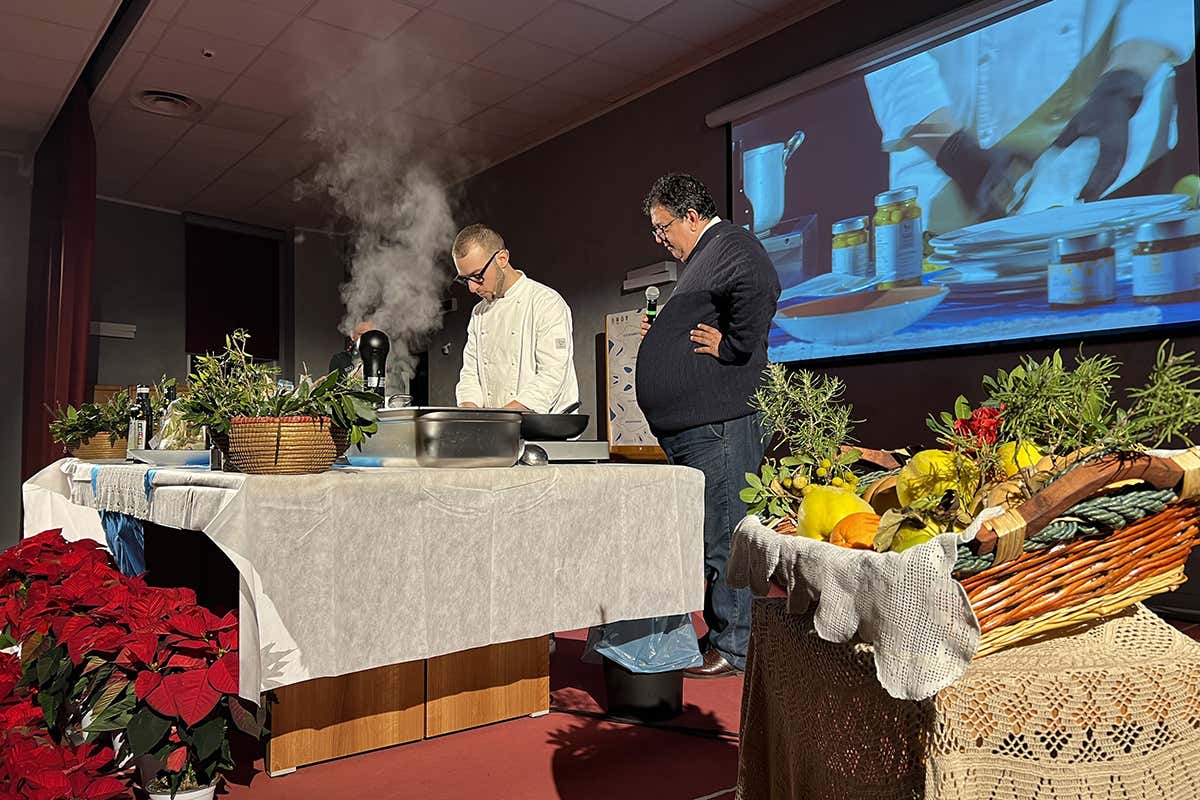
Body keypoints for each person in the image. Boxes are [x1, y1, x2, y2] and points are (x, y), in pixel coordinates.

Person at [864, 0, 1195, 233]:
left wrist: (1123, 84)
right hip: (945, 184)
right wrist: (950, 149)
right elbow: (879, 30)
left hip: (1111, 160)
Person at [636, 174, 781, 678]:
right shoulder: (707, 256)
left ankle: (735, 646)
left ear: (692, 216)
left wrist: (734, 345)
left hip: (719, 423)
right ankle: (724, 631)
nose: (661, 239)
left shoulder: (732, 245)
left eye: (663, 228)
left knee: (725, 532)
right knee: (709, 533)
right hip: (697, 426)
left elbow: (760, 283)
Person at [452, 224, 579, 413]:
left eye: (477, 276)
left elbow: (552, 376)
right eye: (465, 279)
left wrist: (501, 419)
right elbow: (471, 374)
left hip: (543, 431)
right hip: (497, 429)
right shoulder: (479, 313)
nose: (471, 288)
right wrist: (470, 415)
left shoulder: (545, 302)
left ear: (502, 259)